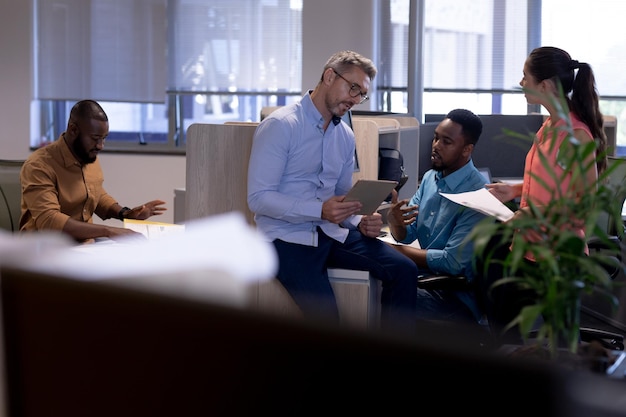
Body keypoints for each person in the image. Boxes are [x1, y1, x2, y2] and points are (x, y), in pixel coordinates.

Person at [247, 50, 418, 333]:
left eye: (361, 94)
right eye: (353, 88)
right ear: (329, 76)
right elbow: (259, 198)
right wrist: (319, 210)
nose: (355, 99)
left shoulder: (344, 135)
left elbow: (342, 196)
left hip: (330, 232)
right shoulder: (280, 125)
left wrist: (361, 220)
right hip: (284, 239)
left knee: (404, 270)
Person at [478, 46, 607, 342]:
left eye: (526, 78)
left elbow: (584, 202)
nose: (521, 84)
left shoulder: (575, 135)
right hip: (529, 247)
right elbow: (552, 182)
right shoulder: (549, 126)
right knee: (504, 324)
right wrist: (514, 189)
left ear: (545, 86)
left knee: (561, 343)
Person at [385, 109, 489, 327]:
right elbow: (407, 235)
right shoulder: (430, 179)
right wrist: (396, 223)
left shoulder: (477, 194)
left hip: (455, 299)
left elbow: (453, 263)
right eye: (435, 137)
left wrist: (396, 251)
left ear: (466, 150)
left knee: (379, 295)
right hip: (424, 279)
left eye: (446, 142)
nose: (435, 146)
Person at [20, 99, 167, 243]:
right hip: (44, 251)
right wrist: (108, 231)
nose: (101, 146)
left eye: (104, 138)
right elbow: (49, 221)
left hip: (84, 245)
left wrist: (125, 214)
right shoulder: (39, 165)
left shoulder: (88, 155)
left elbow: (96, 194)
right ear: (73, 130)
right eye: (95, 138)